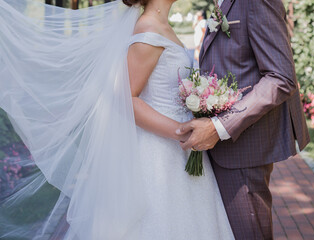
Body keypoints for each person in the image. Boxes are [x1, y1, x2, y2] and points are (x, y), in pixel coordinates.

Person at [0, 0, 234, 239]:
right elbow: (127, 99)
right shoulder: (148, 30)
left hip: (176, 151)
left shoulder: (159, 25)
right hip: (159, 154)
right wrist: (181, 130)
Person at [176, 0, 310, 239]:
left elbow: (281, 77)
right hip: (220, 149)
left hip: (244, 149)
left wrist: (219, 126)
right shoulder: (220, 3)